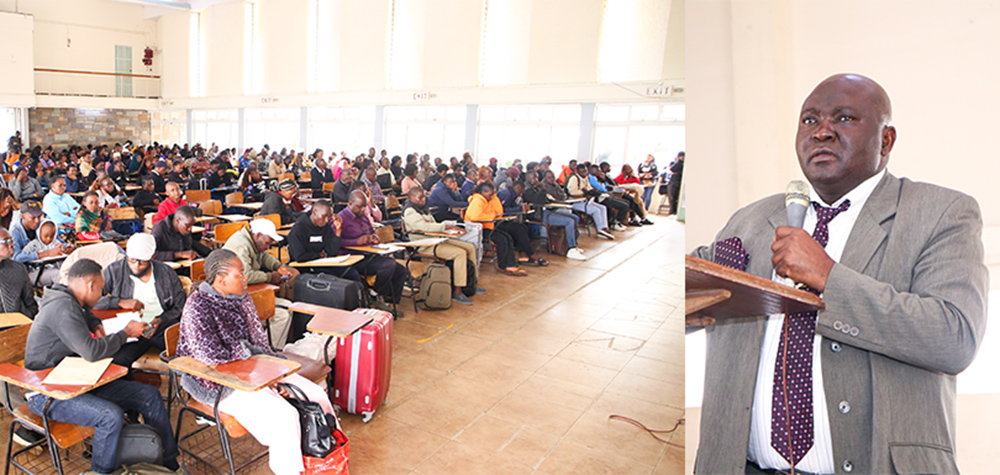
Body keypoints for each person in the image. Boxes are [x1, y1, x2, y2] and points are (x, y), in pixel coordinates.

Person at [690, 74, 988, 475]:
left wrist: (828, 278)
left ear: (886, 140)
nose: (822, 132)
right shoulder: (750, 219)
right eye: (810, 120)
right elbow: (688, 290)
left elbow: (954, 339)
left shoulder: (940, 213)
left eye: (844, 118)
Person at [177, 249, 336, 475]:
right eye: (239, 274)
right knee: (285, 416)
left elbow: (260, 343)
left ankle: (328, 459)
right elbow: (209, 356)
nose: (245, 278)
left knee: (316, 395)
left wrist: (274, 375)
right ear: (220, 279)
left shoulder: (242, 298)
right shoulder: (197, 305)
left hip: (254, 369)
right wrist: (257, 368)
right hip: (218, 382)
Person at [24, 258, 178, 474]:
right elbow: (92, 351)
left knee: (149, 395)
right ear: (90, 285)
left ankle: (168, 464)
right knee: (110, 416)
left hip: (75, 379)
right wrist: (125, 333)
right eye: (100, 289)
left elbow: (86, 313)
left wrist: (95, 324)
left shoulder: (68, 297)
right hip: (47, 392)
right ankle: (100, 472)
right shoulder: (62, 307)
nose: (102, 295)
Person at [94, 233, 186, 369]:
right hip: (130, 331)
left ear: (152, 257)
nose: (136, 265)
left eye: (143, 261)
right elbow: (92, 300)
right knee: (117, 362)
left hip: (162, 328)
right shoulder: (114, 271)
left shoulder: (166, 273)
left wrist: (161, 320)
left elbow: (181, 306)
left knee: (185, 355)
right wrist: (118, 302)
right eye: (132, 260)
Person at [402, 188, 483, 304]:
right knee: (460, 253)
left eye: (424, 197)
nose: (423, 200)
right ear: (411, 198)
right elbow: (423, 227)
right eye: (419, 198)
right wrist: (445, 227)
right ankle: (458, 291)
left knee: (469, 247)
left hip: (436, 238)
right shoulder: (409, 211)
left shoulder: (422, 209)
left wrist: (447, 229)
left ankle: (472, 283)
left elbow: (431, 225)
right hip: (425, 244)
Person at [338, 191, 407, 316]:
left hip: (369, 253)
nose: (362, 210)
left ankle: (387, 300)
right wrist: (356, 241)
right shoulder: (341, 218)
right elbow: (335, 243)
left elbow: (371, 232)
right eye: (359, 207)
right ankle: (375, 295)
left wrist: (374, 237)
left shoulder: (363, 217)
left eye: (364, 206)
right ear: (350, 203)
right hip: (354, 257)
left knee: (400, 270)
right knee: (388, 265)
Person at [286, 200, 361, 282]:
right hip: (304, 266)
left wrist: (338, 230)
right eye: (324, 216)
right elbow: (299, 256)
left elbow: (332, 252)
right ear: (314, 212)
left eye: (329, 217)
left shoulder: (325, 227)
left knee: (351, 273)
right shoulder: (299, 228)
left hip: (321, 264)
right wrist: (319, 255)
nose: (326, 220)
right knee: (334, 278)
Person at [464, 182, 526, 276]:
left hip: (487, 226)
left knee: (508, 237)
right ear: (483, 192)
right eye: (491, 194)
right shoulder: (477, 200)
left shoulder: (488, 199)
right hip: (477, 229)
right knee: (502, 240)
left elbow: (499, 211)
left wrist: (494, 198)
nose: (492, 196)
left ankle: (511, 264)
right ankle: (503, 266)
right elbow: (475, 217)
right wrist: (492, 215)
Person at [523, 171, 586, 260]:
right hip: (538, 215)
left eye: (536, 177)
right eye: (534, 178)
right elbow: (538, 201)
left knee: (575, 218)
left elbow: (547, 199)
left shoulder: (535, 187)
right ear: (528, 178)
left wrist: (554, 200)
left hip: (547, 210)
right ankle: (571, 248)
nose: (536, 180)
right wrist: (543, 189)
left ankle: (572, 243)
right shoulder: (526, 189)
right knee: (569, 222)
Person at [223, 218, 300, 286]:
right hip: (231, 286)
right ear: (258, 235)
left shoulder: (255, 242)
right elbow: (245, 275)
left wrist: (277, 266)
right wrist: (269, 277)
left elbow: (264, 257)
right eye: (267, 243)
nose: (268, 247)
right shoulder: (241, 246)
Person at [667, 151, 684, 215]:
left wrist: (677, 173)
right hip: (673, 182)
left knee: (678, 198)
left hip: (680, 182)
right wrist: (679, 161)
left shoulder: (684, 164)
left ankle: (676, 212)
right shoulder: (674, 163)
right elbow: (672, 169)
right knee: (672, 198)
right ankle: (672, 212)